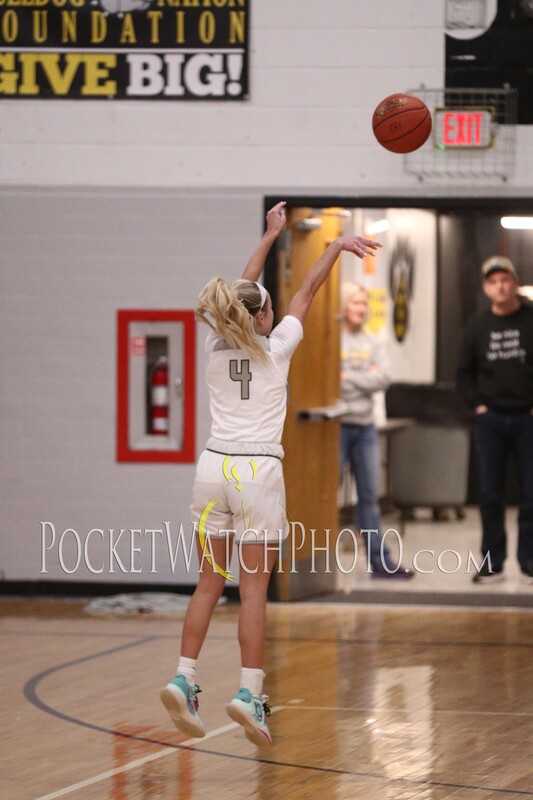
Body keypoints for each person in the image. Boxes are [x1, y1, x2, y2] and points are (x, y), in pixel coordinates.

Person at [160, 202, 381, 747]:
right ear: (263, 320)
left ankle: (184, 677)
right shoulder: (277, 348)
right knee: (254, 590)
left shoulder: (215, 346)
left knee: (209, 581)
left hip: (212, 468)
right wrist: (334, 247)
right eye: (270, 310)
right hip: (256, 472)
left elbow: (244, 291)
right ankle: (249, 693)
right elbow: (307, 290)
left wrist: (269, 235)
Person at [457, 256, 533, 585]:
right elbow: (464, 372)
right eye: (493, 282)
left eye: (505, 280)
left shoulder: (530, 318)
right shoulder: (478, 324)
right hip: (491, 419)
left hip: (527, 418)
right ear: (486, 288)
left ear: (514, 283)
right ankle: (493, 563)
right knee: (490, 494)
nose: (500, 287)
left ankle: (529, 562)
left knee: (531, 493)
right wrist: (477, 405)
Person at [339, 282, 413, 579]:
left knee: (369, 497)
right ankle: (309, 563)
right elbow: (329, 381)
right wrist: (363, 377)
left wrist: (347, 377)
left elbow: (382, 379)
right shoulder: (333, 339)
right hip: (336, 427)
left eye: (364, 303)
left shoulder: (373, 340)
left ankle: (380, 563)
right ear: (343, 305)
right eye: (355, 302)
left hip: (365, 427)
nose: (361, 308)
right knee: (324, 495)